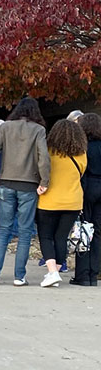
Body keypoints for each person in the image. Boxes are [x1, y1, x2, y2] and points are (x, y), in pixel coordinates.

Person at [0, 97, 50, 285]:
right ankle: (19, 276)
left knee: (3, 229)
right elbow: (43, 157)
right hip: (29, 184)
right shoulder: (39, 130)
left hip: (5, 182)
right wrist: (44, 181)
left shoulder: (5, 128)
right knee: (25, 231)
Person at [36, 119, 88, 287]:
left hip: (49, 200)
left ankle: (52, 271)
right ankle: (55, 272)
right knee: (61, 237)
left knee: (45, 236)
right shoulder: (81, 154)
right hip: (73, 201)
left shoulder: (48, 152)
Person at [72, 113, 101, 286]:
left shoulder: (83, 146)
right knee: (97, 231)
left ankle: (82, 274)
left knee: (83, 229)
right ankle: (93, 273)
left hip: (87, 186)